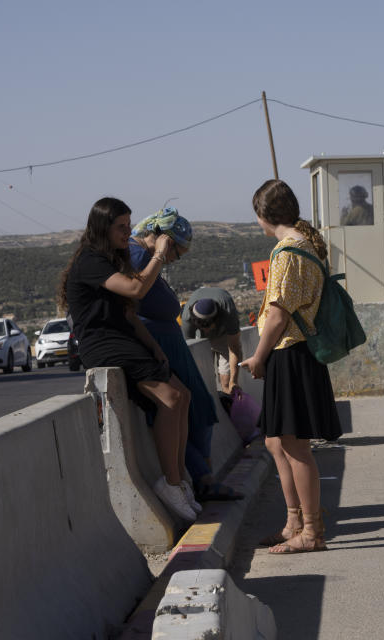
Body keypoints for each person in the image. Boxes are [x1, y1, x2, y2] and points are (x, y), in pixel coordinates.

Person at [58, 197, 198, 522]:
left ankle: (179, 481)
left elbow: (129, 314)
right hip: (102, 344)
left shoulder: (111, 257)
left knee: (183, 396)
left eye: (128, 225)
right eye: (121, 227)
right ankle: (171, 483)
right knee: (171, 397)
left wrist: (153, 346)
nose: (127, 232)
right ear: (102, 228)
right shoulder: (91, 261)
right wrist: (160, 254)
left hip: (124, 339)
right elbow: (136, 290)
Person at [241, 178, 342, 554]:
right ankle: (294, 521)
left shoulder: (287, 253)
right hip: (296, 354)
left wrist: (259, 356)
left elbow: (279, 315)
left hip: (291, 354)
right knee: (276, 441)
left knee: (296, 447)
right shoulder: (305, 247)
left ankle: (312, 532)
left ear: (263, 216)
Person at [129, 209, 243, 502]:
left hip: (170, 342)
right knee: (183, 411)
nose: (175, 258)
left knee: (199, 411)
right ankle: (201, 479)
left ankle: (202, 476)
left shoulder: (145, 257)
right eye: (176, 250)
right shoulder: (140, 256)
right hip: (159, 344)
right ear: (164, 237)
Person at [181, 287, 244, 394]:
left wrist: (234, 381)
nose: (206, 331)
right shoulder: (187, 318)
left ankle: (228, 400)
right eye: (202, 328)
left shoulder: (228, 311)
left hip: (223, 337)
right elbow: (190, 351)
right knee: (206, 378)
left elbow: (234, 348)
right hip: (199, 339)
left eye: (208, 327)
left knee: (226, 381)